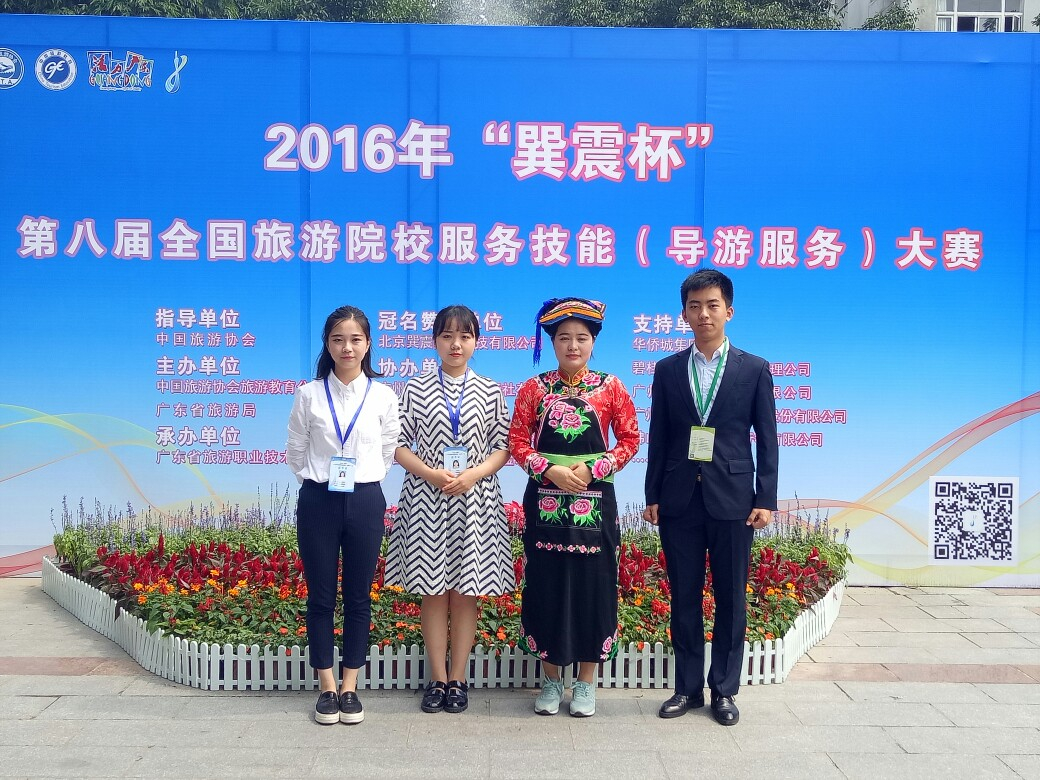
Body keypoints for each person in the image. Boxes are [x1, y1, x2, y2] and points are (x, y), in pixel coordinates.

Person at [643, 269, 778, 726]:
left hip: (734, 499)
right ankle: (686, 689)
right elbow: (659, 436)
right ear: (684, 314)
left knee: (731, 598)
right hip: (679, 498)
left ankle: (724, 690)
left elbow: (768, 438)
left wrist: (766, 497)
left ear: (729, 311)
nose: (704, 314)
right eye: (695, 306)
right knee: (684, 596)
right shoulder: (667, 370)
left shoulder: (753, 368)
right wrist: (653, 492)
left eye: (712, 305)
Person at [508, 297, 640, 718]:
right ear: (552, 342)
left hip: (595, 499)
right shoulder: (534, 389)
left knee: (593, 588)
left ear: (593, 341)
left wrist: (594, 467)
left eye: (581, 337)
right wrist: (548, 469)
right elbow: (517, 442)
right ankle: (550, 680)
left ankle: (585, 682)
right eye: (564, 337)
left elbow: (631, 440)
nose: (572, 345)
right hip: (546, 499)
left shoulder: (611, 387)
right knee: (546, 586)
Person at [385, 305, 513, 714]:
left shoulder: (490, 391)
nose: (456, 344)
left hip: (475, 501)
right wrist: (430, 473)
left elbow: (504, 446)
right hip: (427, 499)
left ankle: (458, 679)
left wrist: (473, 474)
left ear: (476, 342)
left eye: (465, 336)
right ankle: (437, 679)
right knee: (433, 591)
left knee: (466, 592)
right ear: (435, 341)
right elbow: (397, 445)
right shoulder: (416, 388)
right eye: (447, 336)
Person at [286, 305, 400, 725]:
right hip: (319, 500)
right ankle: (327, 686)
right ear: (328, 345)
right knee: (320, 597)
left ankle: (350, 686)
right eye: (338, 339)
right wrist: (316, 480)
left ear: (367, 344)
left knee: (358, 597)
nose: (346, 347)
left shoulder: (383, 396)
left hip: (366, 499)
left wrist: (364, 477)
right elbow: (296, 449)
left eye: (355, 339)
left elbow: (388, 448)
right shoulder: (309, 394)